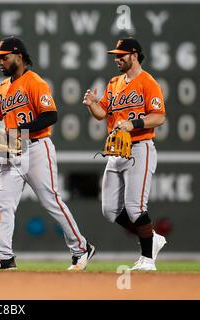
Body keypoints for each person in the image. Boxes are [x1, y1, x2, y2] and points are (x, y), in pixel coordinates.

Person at [0, 36, 95, 271]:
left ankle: (81, 248)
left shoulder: (35, 82)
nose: (0, 62)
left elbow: (50, 115)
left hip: (37, 148)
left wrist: (20, 130)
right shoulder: (4, 87)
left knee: (51, 200)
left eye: (4, 57)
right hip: (13, 151)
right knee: (3, 203)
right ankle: (4, 258)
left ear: (18, 56)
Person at [82, 38, 167, 271]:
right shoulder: (114, 82)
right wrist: (91, 104)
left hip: (140, 147)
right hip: (116, 151)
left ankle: (148, 259)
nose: (117, 58)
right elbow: (102, 114)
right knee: (110, 210)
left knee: (135, 207)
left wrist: (135, 123)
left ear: (135, 55)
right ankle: (153, 237)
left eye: (121, 54)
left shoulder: (148, 82)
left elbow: (159, 116)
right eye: (116, 55)